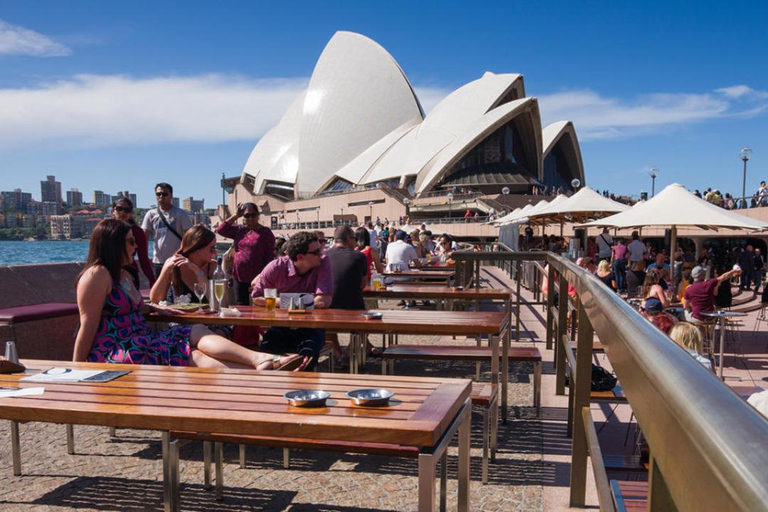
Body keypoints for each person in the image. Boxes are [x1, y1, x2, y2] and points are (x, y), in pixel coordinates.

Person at [73, 219, 306, 370]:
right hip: (119, 347)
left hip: (142, 339)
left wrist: (154, 308)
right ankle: (263, 368)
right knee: (188, 350)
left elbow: (138, 306)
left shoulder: (122, 274)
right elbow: (87, 324)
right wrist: (77, 368)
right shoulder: (97, 275)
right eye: (131, 241)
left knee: (194, 336)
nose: (136, 246)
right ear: (114, 244)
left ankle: (260, 363)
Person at [251, 232, 333, 369]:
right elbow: (257, 297)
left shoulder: (323, 262)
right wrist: (299, 301)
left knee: (307, 358)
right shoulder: (276, 267)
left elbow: (323, 301)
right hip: (281, 325)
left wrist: (282, 301)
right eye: (316, 252)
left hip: (311, 326)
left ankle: (302, 381)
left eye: (320, 249)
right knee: (266, 353)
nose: (321, 254)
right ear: (300, 257)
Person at [216, 202, 275, 305]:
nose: (250, 218)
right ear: (243, 217)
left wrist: (265, 275)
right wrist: (235, 216)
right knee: (241, 305)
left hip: (258, 276)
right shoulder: (239, 230)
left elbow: (269, 255)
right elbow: (220, 230)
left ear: (258, 215)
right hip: (239, 276)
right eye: (247, 215)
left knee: (259, 305)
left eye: (253, 215)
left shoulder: (265, 232)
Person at [142, 182, 193, 277]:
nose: (161, 196)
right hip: (159, 261)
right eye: (158, 194)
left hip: (177, 260)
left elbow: (190, 236)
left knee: (178, 286)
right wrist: (145, 258)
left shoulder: (180, 214)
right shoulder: (150, 214)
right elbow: (144, 237)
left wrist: (181, 251)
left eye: (165, 194)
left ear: (171, 196)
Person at [112, 197, 155, 288]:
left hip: (129, 272)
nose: (122, 212)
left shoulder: (137, 232)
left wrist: (152, 281)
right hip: (109, 271)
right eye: (119, 209)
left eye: (127, 210)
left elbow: (143, 258)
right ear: (113, 211)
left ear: (131, 213)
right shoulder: (105, 230)